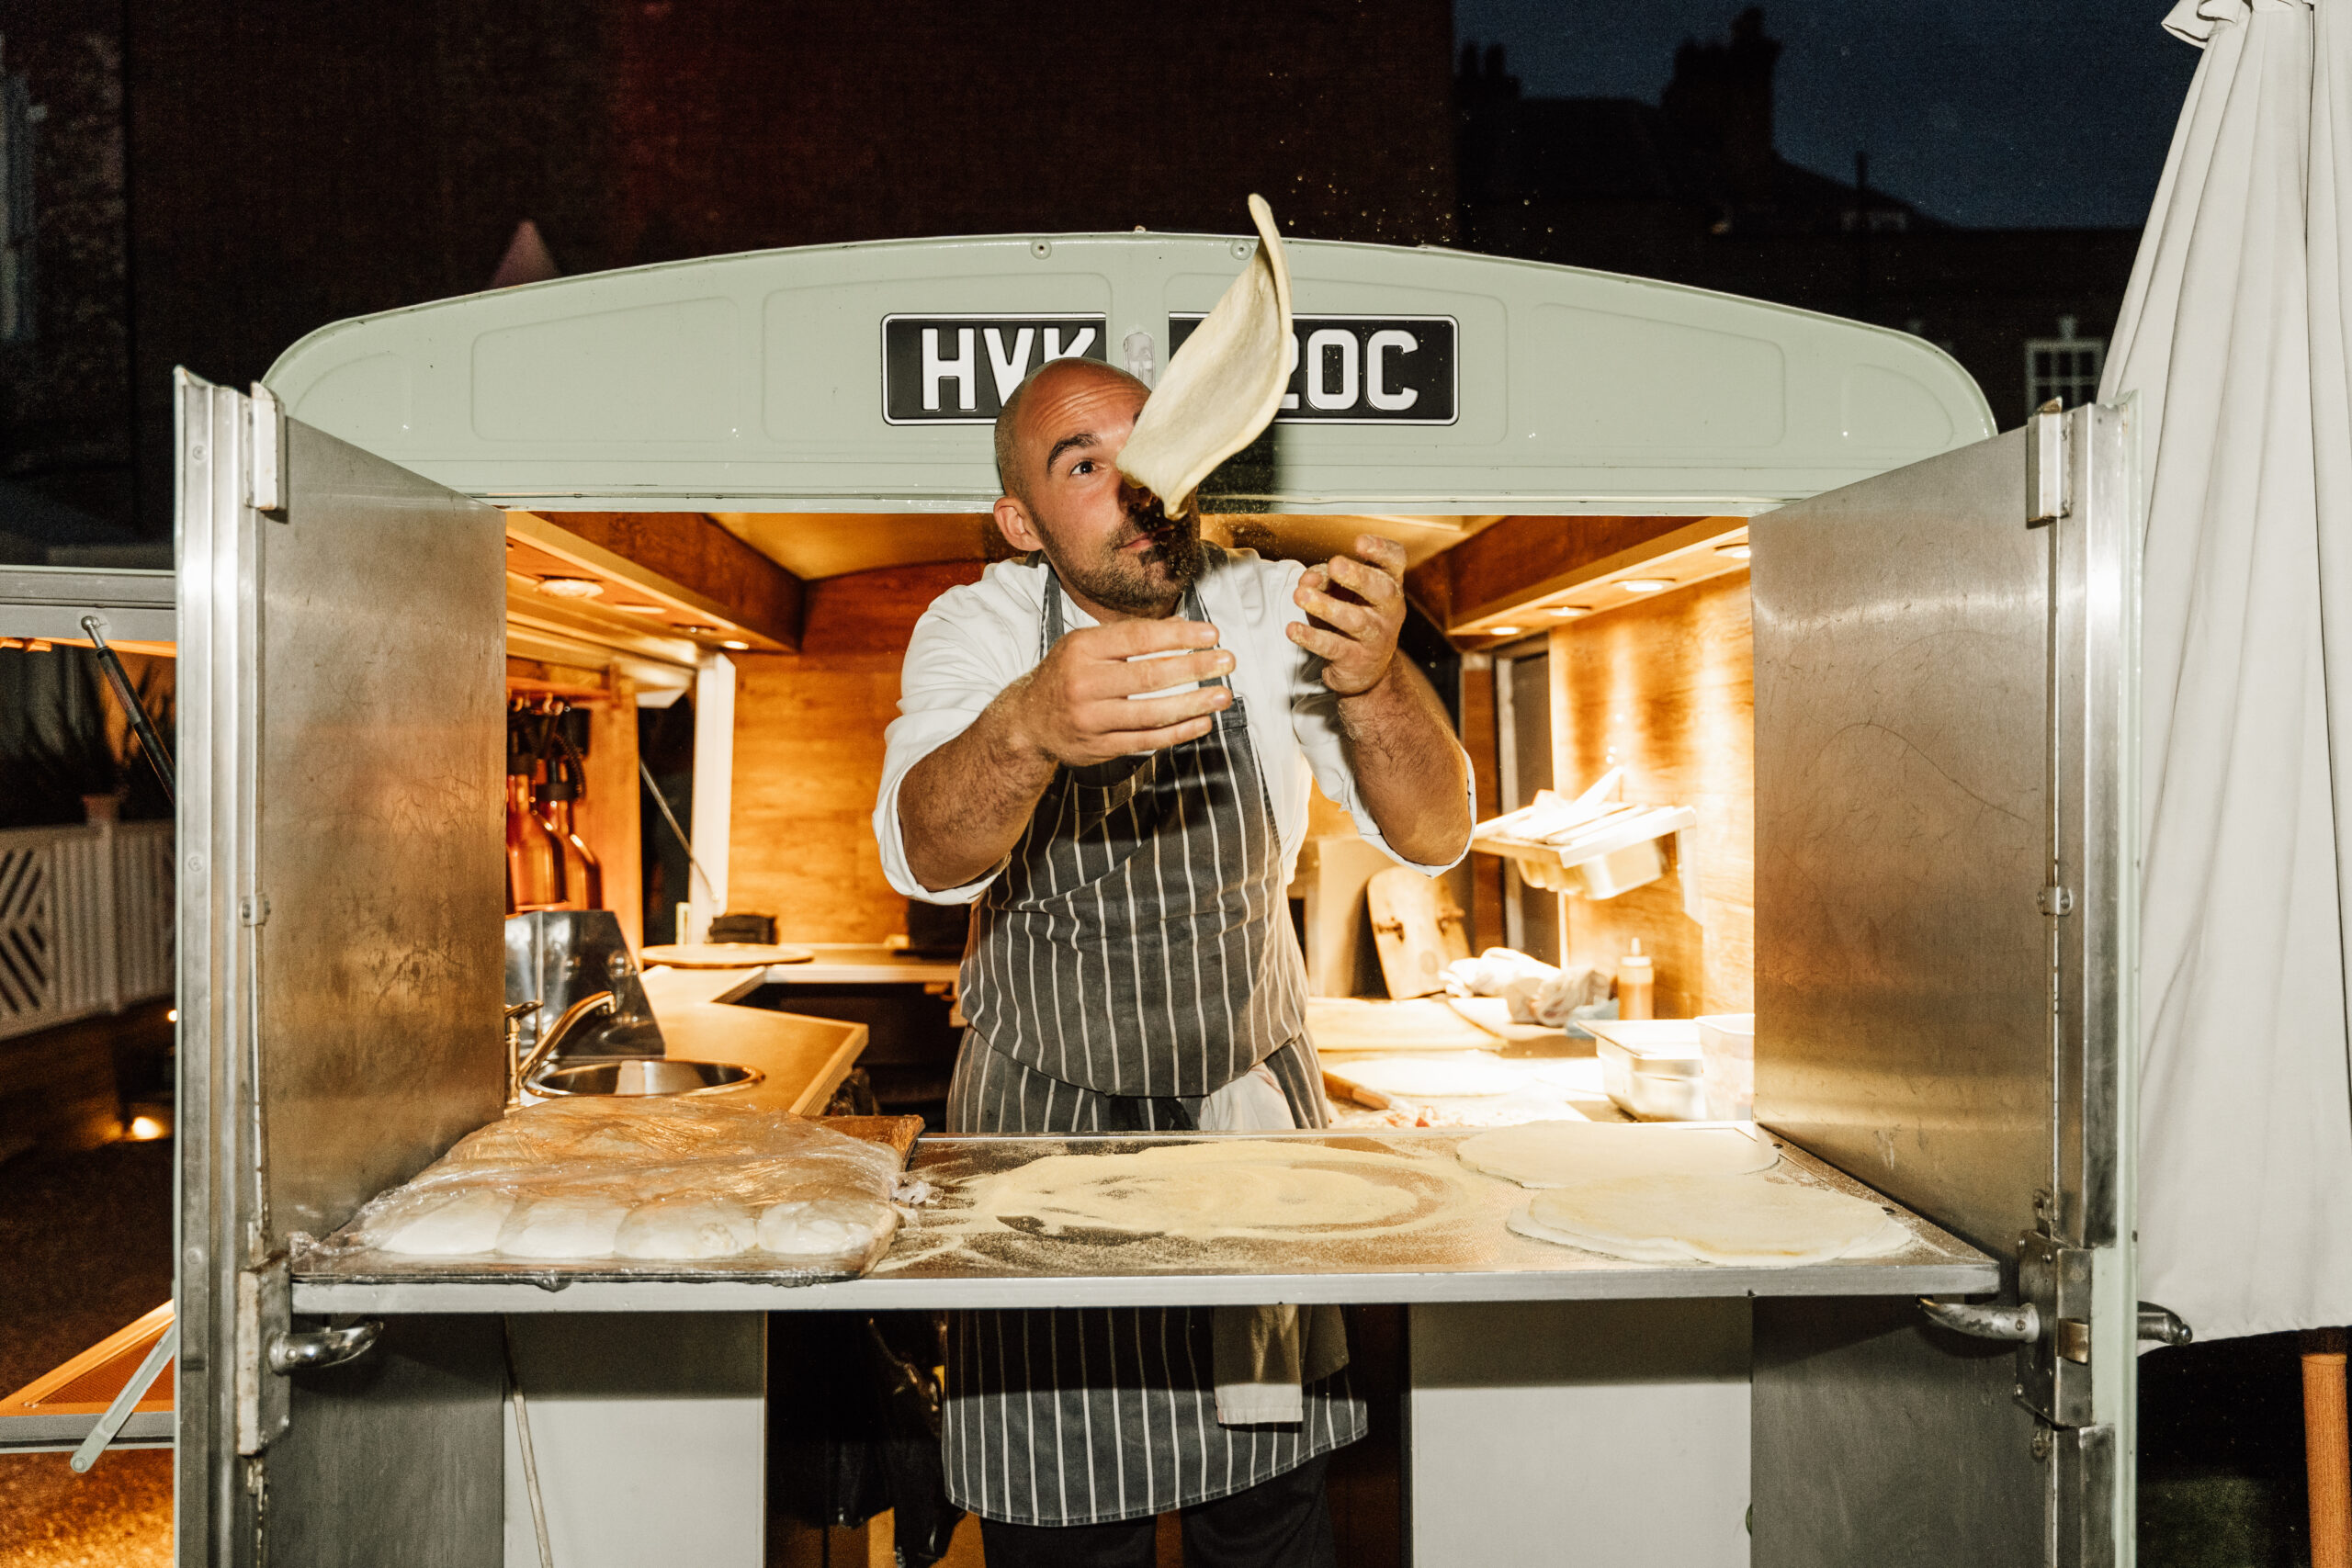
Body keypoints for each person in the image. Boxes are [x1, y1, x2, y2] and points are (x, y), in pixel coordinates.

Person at [874, 355, 1473, 1566]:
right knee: (1062, 1525)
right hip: (1037, 1151)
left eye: (1146, 447)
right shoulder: (977, 629)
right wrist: (1029, 724)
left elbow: (1438, 829)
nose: (1131, 483)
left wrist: (1374, 682)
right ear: (1020, 522)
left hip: (1248, 1139)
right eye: (1081, 465)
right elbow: (927, 849)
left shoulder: (1272, 606)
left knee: (1264, 1515)